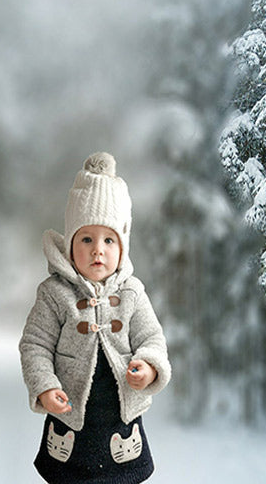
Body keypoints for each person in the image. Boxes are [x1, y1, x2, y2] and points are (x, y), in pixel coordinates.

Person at [19, 151, 171, 484]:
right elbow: (34, 345)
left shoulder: (132, 292)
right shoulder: (54, 293)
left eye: (108, 240)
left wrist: (148, 365)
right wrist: (44, 386)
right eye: (86, 239)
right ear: (71, 244)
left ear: (122, 246)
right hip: (71, 420)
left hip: (120, 423)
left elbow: (152, 338)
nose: (97, 250)